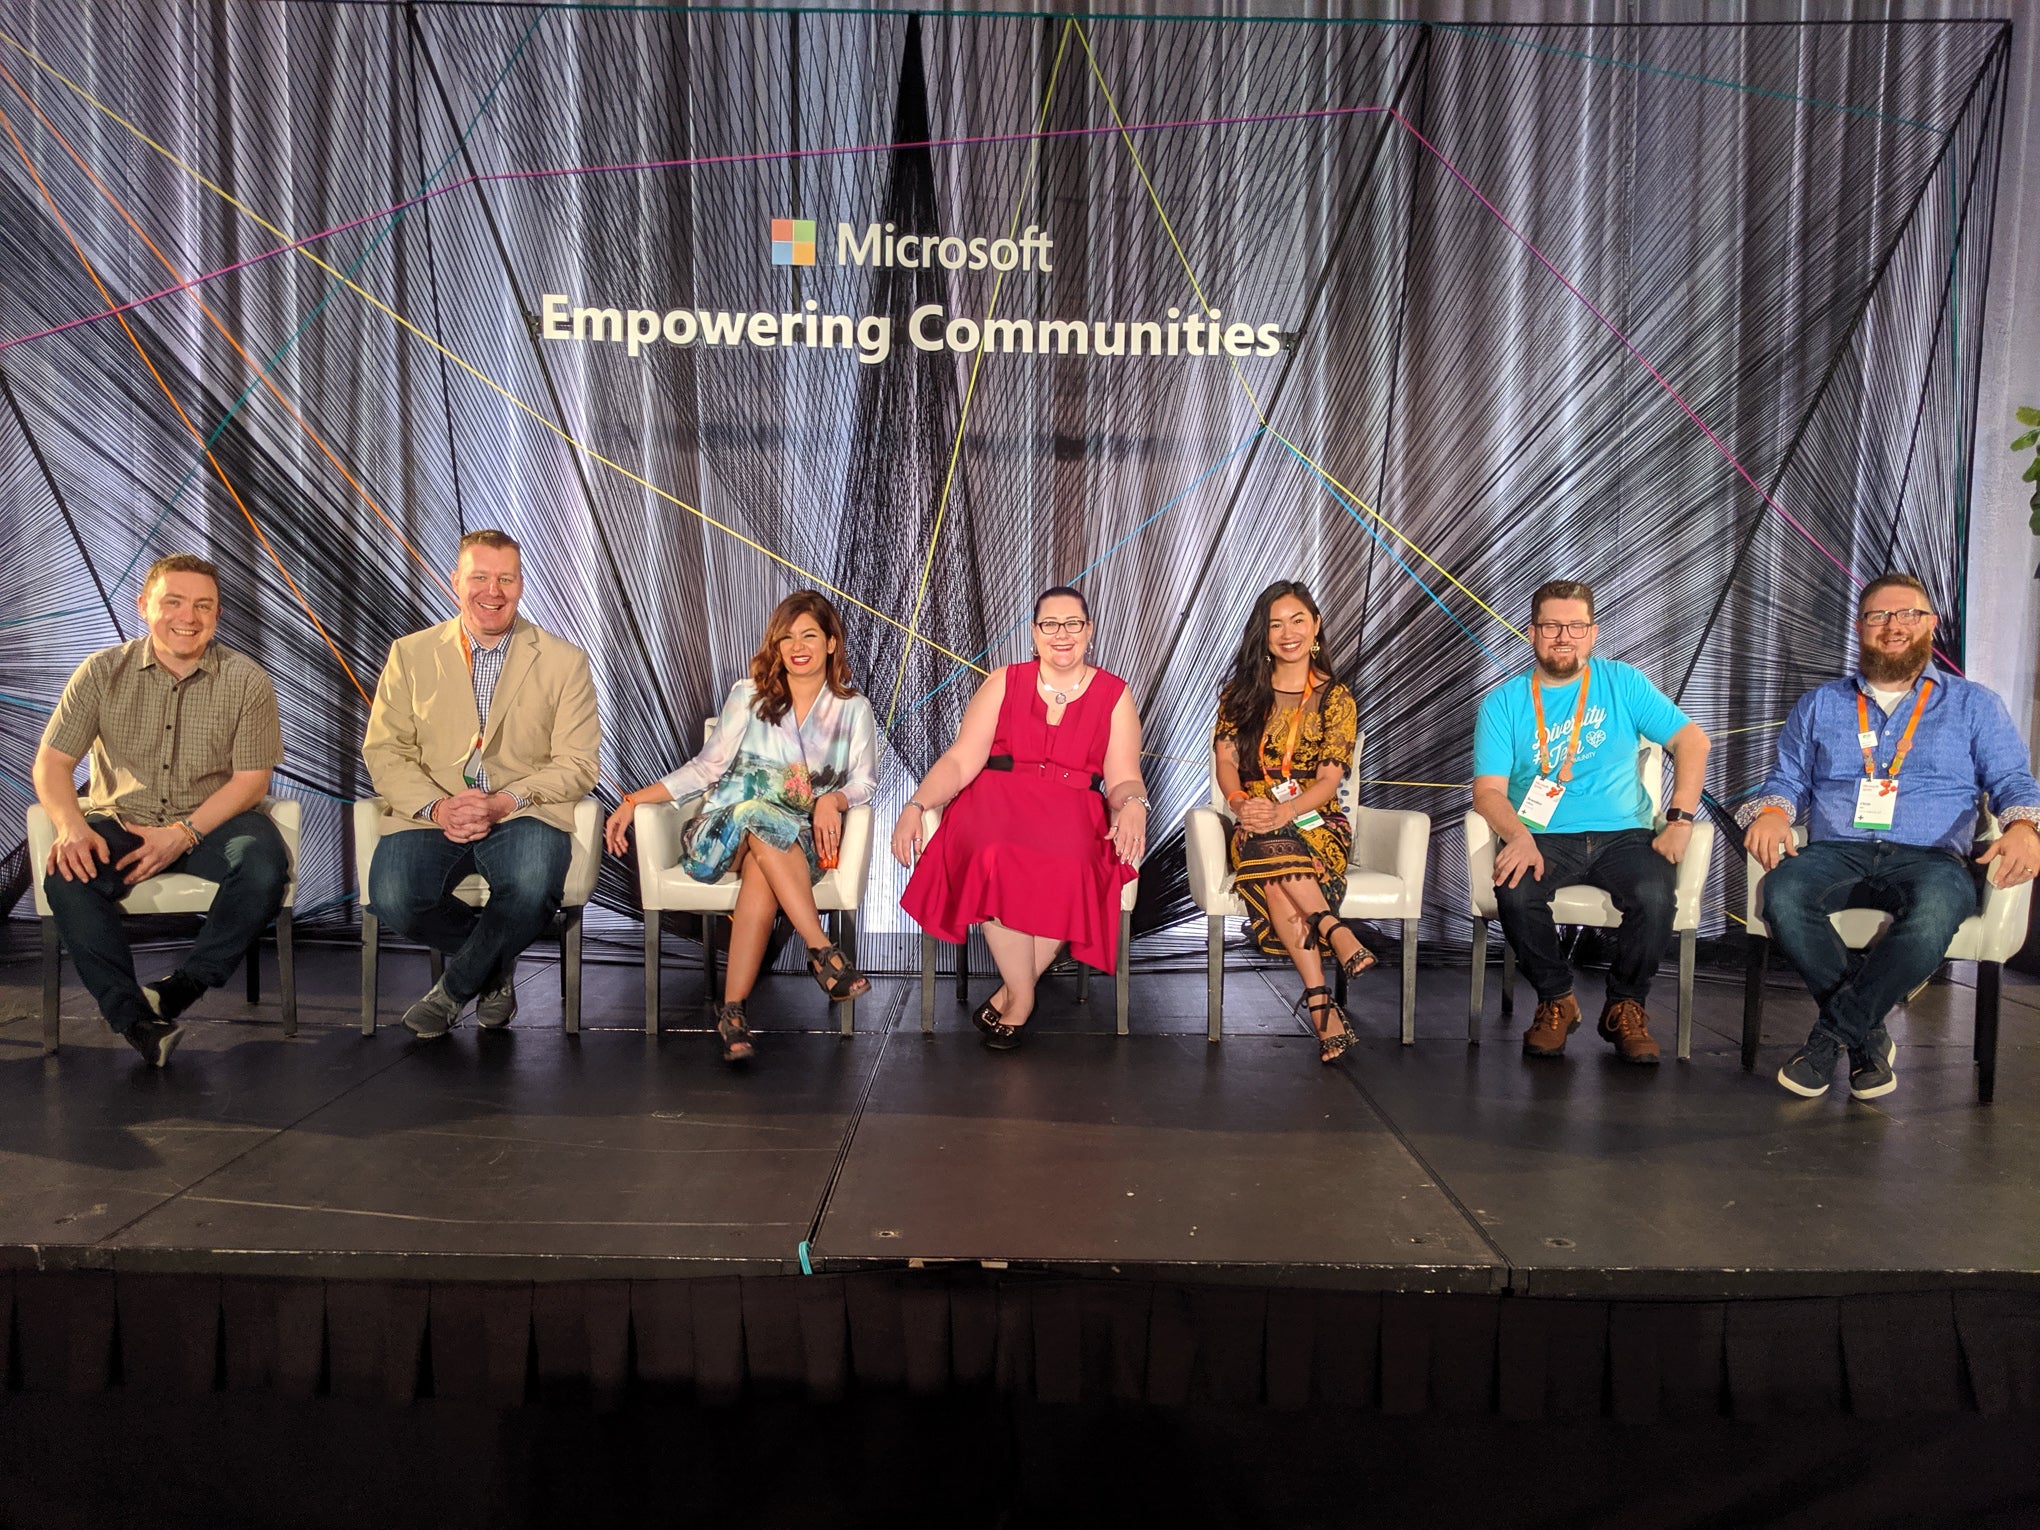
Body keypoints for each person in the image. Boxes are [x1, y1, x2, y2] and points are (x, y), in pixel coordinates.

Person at [1740, 573, 2040, 1100]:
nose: (1893, 626)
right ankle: (1867, 1037)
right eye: (1878, 616)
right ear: (1860, 628)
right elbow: (1785, 780)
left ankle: (1831, 1038)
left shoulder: (1975, 704)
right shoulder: (1821, 704)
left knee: (1933, 919)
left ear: (1930, 625)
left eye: (1908, 615)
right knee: (1783, 896)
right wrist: (1770, 813)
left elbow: (2014, 779)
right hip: (1838, 850)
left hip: (1931, 858)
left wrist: (2024, 825)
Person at [33, 553, 288, 1066]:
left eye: (203, 605)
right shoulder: (103, 671)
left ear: (217, 614)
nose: (188, 617)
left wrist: (184, 833)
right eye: (172, 602)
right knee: (67, 876)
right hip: (121, 822)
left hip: (213, 822)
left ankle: (181, 989)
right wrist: (70, 826)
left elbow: (251, 780)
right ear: (144, 606)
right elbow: (53, 763)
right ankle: (135, 1020)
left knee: (264, 862)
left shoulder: (246, 679)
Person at [607, 591, 877, 1062]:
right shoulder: (748, 696)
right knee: (755, 813)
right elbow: (704, 770)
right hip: (719, 835)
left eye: (810, 635)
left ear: (832, 644)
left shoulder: (852, 708)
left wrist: (833, 799)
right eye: (787, 636)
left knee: (762, 864)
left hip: (794, 849)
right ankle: (823, 952)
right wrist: (633, 799)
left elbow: (865, 782)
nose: (798, 645)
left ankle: (732, 1014)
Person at [363, 529, 600, 1039]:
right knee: (395, 896)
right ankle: (493, 967)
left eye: (505, 579)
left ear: (520, 585)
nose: (492, 591)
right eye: (480, 577)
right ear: (456, 583)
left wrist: (504, 800)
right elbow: (385, 751)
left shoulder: (564, 661)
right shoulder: (410, 653)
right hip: (434, 810)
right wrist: (437, 808)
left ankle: (451, 992)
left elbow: (579, 763)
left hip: (522, 809)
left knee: (534, 887)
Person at [892, 586, 1148, 1049]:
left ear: (1089, 631)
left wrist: (1133, 806)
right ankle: (1024, 999)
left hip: (1073, 806)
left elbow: (1125, 777)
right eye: (1050, 624)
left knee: (1072, 864)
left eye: (1073, 623)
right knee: (995, 855)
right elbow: (960, 760)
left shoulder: (1115, 694)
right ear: (1034, 632)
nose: (1062, 634)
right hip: (996, 800)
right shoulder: (1004, 681)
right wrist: (916, 805)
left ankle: (1013, 993)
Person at [1471, 579, 1710, 1064]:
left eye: (1576, 626)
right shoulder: (1502, 702)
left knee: (1655, 895)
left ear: (1594, 632)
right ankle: (1557, 999)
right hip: (1541, 835)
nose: (1564, 636)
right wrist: (1517, 834)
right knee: (1515, 893)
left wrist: (1680, 819)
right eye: (1553, 626)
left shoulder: (1622, 683)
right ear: (1533, 632)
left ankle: (1625, 1005)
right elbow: (1487, 792)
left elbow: (1692, 742)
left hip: (1624, 834)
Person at [1212, 581, 1370, 1064]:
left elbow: (1328, 779)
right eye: (1276, 624)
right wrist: (1242, 803)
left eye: (1298, 620)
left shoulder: (1335, 698)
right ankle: (1334, 932)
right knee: (1263, 842)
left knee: (1273, 863)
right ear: (1263, 634)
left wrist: (1284, 811)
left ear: (1316, 626)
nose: (1288, 633)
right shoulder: (1239, 694)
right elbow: (1226, 763)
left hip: (1315, 820)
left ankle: (1320, 1002)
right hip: (1253, 816)